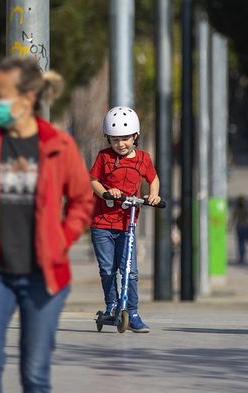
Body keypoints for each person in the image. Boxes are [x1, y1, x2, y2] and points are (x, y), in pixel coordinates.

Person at [0, 57, 93, 393]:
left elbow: (82, 200)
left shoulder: (59, 145)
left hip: (43, 275)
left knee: (35, 373)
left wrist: (62, 238)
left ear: (27, 98)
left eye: (0, 96)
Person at [89, 106, 161, 333]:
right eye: (115, 139)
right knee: (108, 268)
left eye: (126, 139)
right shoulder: (104, 157)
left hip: (127, 224)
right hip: (102, 223)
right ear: (108, 138)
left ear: (135, 136)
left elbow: (153, 178)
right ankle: (112, 305)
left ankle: (133, 312)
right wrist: (107, 192)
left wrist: (154, 194)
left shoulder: (143, 159)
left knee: (130, 270)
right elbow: (93, 181)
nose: (120, 144)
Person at [230, 196, 248, 264]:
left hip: (239, 226)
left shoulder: (236, 209)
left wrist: (230, 226)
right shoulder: (246, 208)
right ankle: (244, 256)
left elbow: (233, 218)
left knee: (240, 243)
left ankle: (240, 257)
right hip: (246, 226)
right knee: (245, 242)